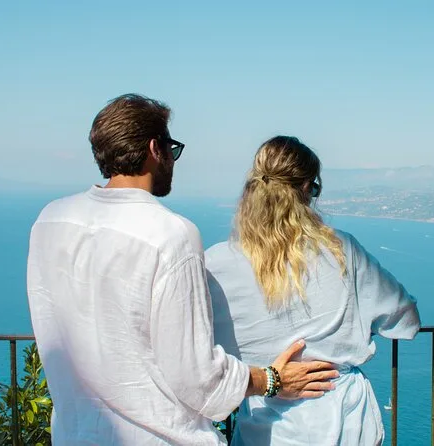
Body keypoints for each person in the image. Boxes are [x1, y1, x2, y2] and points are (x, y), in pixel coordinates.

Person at [26, 96, 339, 445]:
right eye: (171, 148)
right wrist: (272, 380)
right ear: (154, 149)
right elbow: (197, 377)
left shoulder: (51, 221)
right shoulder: (169, 234)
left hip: (75, 434)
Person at [206, 135, 421, 445]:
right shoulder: (342, 251)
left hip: (264, 429)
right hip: (347, 424)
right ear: (306, 189)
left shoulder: (215, 263)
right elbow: (405, 320)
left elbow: (199, 353)